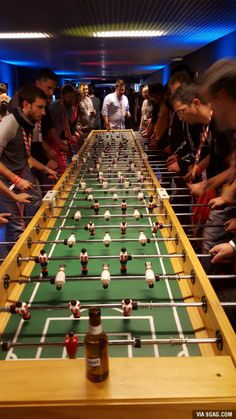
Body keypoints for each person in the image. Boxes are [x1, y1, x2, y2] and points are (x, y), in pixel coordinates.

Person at [0, 84, 55, 258]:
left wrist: (45, 169)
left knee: (37, 205)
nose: (43, 112)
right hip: (6, 182)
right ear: (25, 105)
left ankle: (34, 251)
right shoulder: (9, 124)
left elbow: (27, 157)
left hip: (22, 174)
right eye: (40, 107)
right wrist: (16, 180)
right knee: (16, 228)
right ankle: (13, 271)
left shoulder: (28, 124)